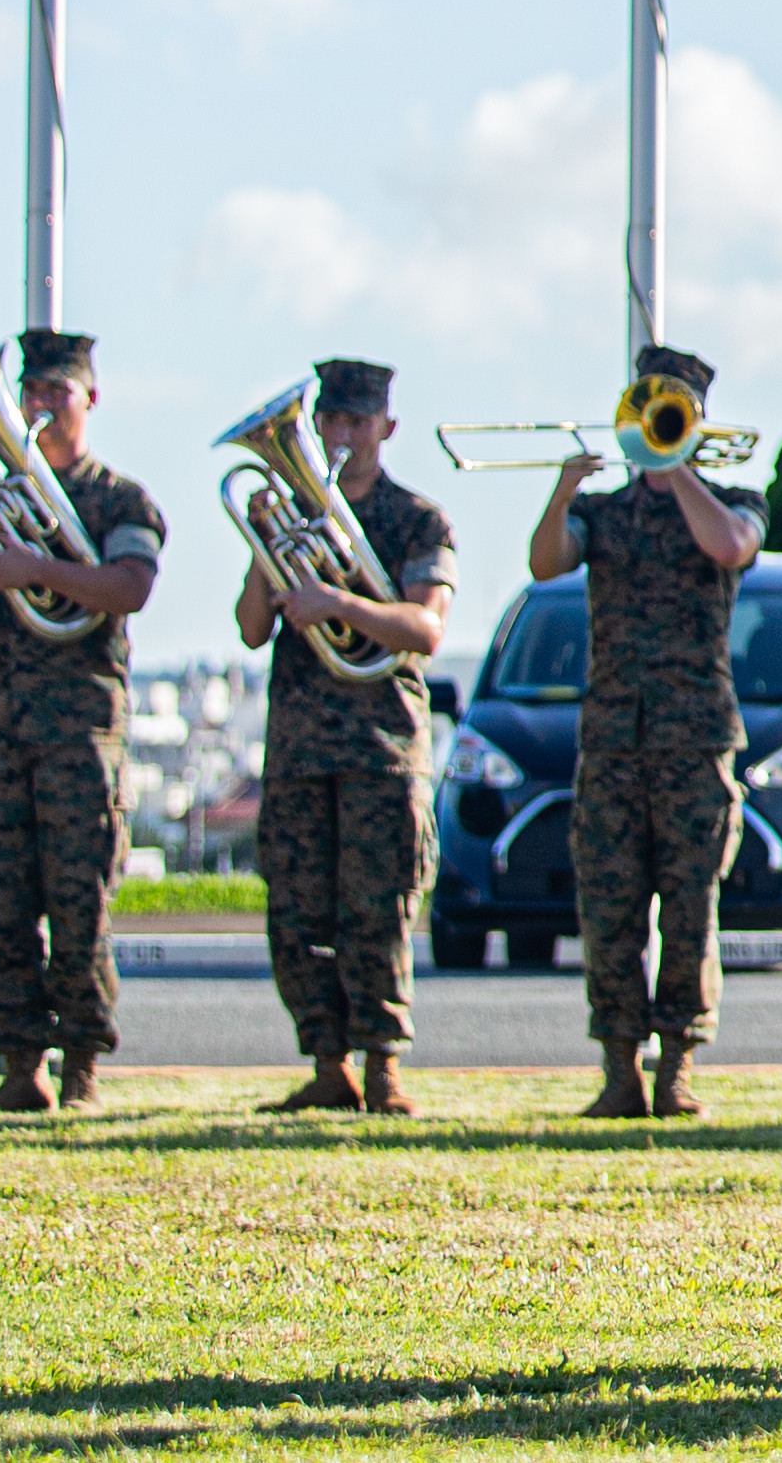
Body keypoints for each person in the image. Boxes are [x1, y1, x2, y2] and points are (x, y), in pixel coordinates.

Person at [0, 330, 163, 1113]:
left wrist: (37, 570)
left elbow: (128, 586)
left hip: (79, 732)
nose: (44, 406)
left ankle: (82, 1065)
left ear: (90, 399)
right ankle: (20, 1066)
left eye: (60, 392)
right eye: (33, 393)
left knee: (79, 902)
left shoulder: (121, 498)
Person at [525, 345, 764, 1118]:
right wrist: (564, 492)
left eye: (676, 410)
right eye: (654, 408)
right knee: (610, 907)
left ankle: (678, 1067)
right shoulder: (604, 514)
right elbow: (544, 564)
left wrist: (676, 471)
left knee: (691, 906)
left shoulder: (734, 498)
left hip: (695, 741)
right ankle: (619, 1067)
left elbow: (729, 547)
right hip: (613, 741)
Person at [239, 358, 457, 1116]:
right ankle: (327, 1063)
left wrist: (337, 599)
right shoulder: (294, 513)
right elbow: (251, 627)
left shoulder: (417, 519)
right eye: (329, 420)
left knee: (379, 912)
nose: (340, 435)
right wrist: (266, 545)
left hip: (381, 747)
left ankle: (383, 1066)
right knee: (297, 912)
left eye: (356, 421)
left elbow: (425, 627)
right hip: (299, 746)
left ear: (385, 428)